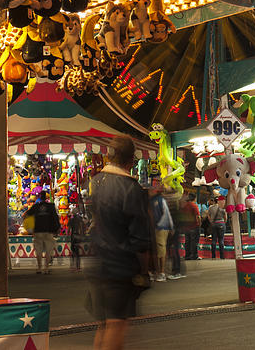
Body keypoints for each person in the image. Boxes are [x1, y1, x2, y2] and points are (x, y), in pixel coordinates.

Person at [89, 135, 151, 350]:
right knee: (117, 324)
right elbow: (140, 236)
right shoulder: (131, 188)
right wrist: (144, 268)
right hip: (121, 264)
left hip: (100, 262)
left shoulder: (96, 183)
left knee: (105, 323)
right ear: (131, 160)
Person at [25, 190, 60, 274]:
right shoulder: (51, 206)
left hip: (38, 231)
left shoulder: (36, 206)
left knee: (39, 250)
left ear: (39, 197)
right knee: (48, 250)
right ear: (46, 197)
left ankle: (39, 268)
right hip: (48, 231)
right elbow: (55, 218)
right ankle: (46, 268)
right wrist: (57, 228)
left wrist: (30, 227)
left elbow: (27, 214)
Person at [148, 183, 172, 282]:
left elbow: (166, 214)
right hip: (156, 227)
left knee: (160, 249)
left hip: (161, 228)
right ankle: (156, 271)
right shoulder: (152, 200)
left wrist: (163, 226)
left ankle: (161, 272)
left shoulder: (160, 200)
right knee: (156, 250)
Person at [179, 190, 201, 260]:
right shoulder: (194, 206)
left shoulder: (184, 206)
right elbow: (197, 216)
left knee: (187, 242)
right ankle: (194, 255)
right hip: (194, 226)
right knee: (194, 242)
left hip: (186, 227)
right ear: (195, 198)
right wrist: (199, 224)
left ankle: (187, 255)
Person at [69, 206, 86, 271]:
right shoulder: (80, 219)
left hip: (73, 236)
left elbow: (69, 229)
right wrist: (82, 234)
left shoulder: (71, 219)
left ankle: (72, 266)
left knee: (73, 251)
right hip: (78, 235)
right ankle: (78, 267)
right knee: (77, 251)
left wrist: (68, 234)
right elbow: (82, 227)